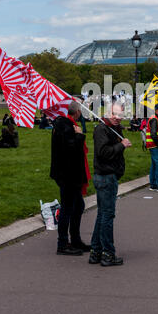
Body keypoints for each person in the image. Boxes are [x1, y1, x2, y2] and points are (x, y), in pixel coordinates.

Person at [89, 100, 132, 266]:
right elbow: (103, 153)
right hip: (105, 176)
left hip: (109, 176)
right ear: (108, 112)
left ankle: (96, 251)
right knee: (107, 215)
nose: (117, 117)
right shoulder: (101, 128)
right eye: (114, 114)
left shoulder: (112, 128)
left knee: (102, 215)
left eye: (120, 115)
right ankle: (107, 253)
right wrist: (121, 146)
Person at [50, 100, 90, 256]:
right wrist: (79, 136)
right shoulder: (66, 126)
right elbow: (70, 149)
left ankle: (75, 239)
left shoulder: (65, 124)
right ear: (78, 112)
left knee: (78, 206)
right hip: (67, 175)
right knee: (68, 208)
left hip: (69, 174)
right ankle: (62, 243)